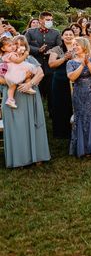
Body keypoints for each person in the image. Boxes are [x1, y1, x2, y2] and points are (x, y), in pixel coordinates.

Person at [0, 35, 50, 168]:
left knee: (34, 124)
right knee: (17, 127)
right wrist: (20, 79)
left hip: (30, 95)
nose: (18, 46)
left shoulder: (29, 58)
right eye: (15, 43)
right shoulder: (4, 60)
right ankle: (19, 159)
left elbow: (40, 73)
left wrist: (30, 83)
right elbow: (1, 79)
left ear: (25, 46)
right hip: (13, 97)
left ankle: (37, 155)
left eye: (21, 44)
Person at [24, 11, 62, 113]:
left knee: (52, 94)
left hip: (51, 68)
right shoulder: (31, 32)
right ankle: (36, 113)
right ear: (40, 20)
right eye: (47, 20)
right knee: (36, 93)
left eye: (51, 20)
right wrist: (37, 50)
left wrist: (53, 51)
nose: (50, 22)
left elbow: (60, 46)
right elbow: (25, 46)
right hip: (35, 68)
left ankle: (52, 114)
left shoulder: (56, 32)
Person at [47, 28, 76, 139]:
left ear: (73, 36)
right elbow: (52, 64)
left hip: (74, 78)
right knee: (60, 104)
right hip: (60, 79)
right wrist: (64, 58)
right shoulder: (57, 49)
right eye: (66, 34)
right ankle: (61, 131)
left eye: (70, 34)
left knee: (72, 103)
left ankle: (73, 128)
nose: (68, 36)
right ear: (62, 37)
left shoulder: (77, 47)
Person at [0, 36, 38, 109]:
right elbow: (18, 61)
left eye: (12, 45)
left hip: (14, 70)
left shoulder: (7, 54)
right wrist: (24, 55)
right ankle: (10, 99)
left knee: (13, 85)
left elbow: (41, 73)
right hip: (14, 71)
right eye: (10, 45)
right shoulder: (10, 54)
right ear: (3, 48)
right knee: (25, 74)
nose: (13, 47)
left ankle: (11, 98)